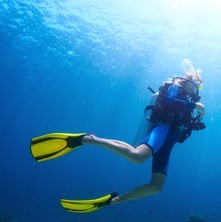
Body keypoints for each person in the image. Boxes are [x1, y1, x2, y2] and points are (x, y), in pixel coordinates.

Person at [30, 62, 206, 213]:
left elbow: (181, 133)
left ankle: (115, 200)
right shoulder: (175, 87)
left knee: (156, 186)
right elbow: (169, 102)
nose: (195, 88)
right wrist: (193, 105)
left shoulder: (189, 103)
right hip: (161, 130)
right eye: (195, 83)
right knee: (137, 157)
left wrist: (196, 122)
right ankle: (87, 139)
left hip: (168, 143)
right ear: (187, 79)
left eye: (198, 86)